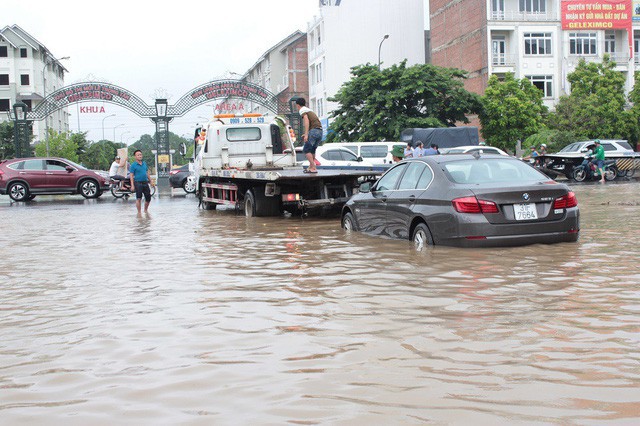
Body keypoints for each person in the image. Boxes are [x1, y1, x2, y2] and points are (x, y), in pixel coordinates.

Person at [295, 98, 322, 173]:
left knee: (306, 149)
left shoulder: (302, 110)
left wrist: (306, 134)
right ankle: (311, 166)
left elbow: (306, 121)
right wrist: (307, 133)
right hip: (319, 131)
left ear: (297, 105)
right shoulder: (309, 110)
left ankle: (313, 167)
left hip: (313, 131)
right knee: (312, 150)